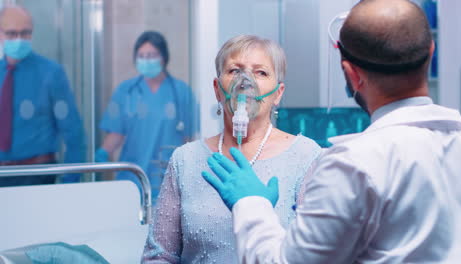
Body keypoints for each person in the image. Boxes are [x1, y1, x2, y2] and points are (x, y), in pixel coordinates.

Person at [203, 0, 461, 263]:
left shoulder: (351, 165)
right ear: (431, 51)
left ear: (352, 74)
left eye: (261, 72)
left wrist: (250, 203)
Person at [141, 35, 322, 263]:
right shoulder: (185, 160)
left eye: (261, 72)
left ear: (278, 93)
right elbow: (159, 255)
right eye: (235, 70)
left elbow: (317, 253)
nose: (245, 82)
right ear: (218, 89)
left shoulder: (306, 157)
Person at [97, 31, 199, 202]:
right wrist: (102, 154)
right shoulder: (126, 91)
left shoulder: (181, 92)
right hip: (131, 179)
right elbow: (116, 134)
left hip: (168, 178)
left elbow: (189, 140)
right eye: (142, 56)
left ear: (164, 57)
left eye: (152, 55)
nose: (147, 60)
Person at [0, 5, 85, 186]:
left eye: (25, 33)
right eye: (11, 33)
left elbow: (73, 130)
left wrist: (70, 182)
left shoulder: (51, 73)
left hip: (37, 174)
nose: (19, 39)